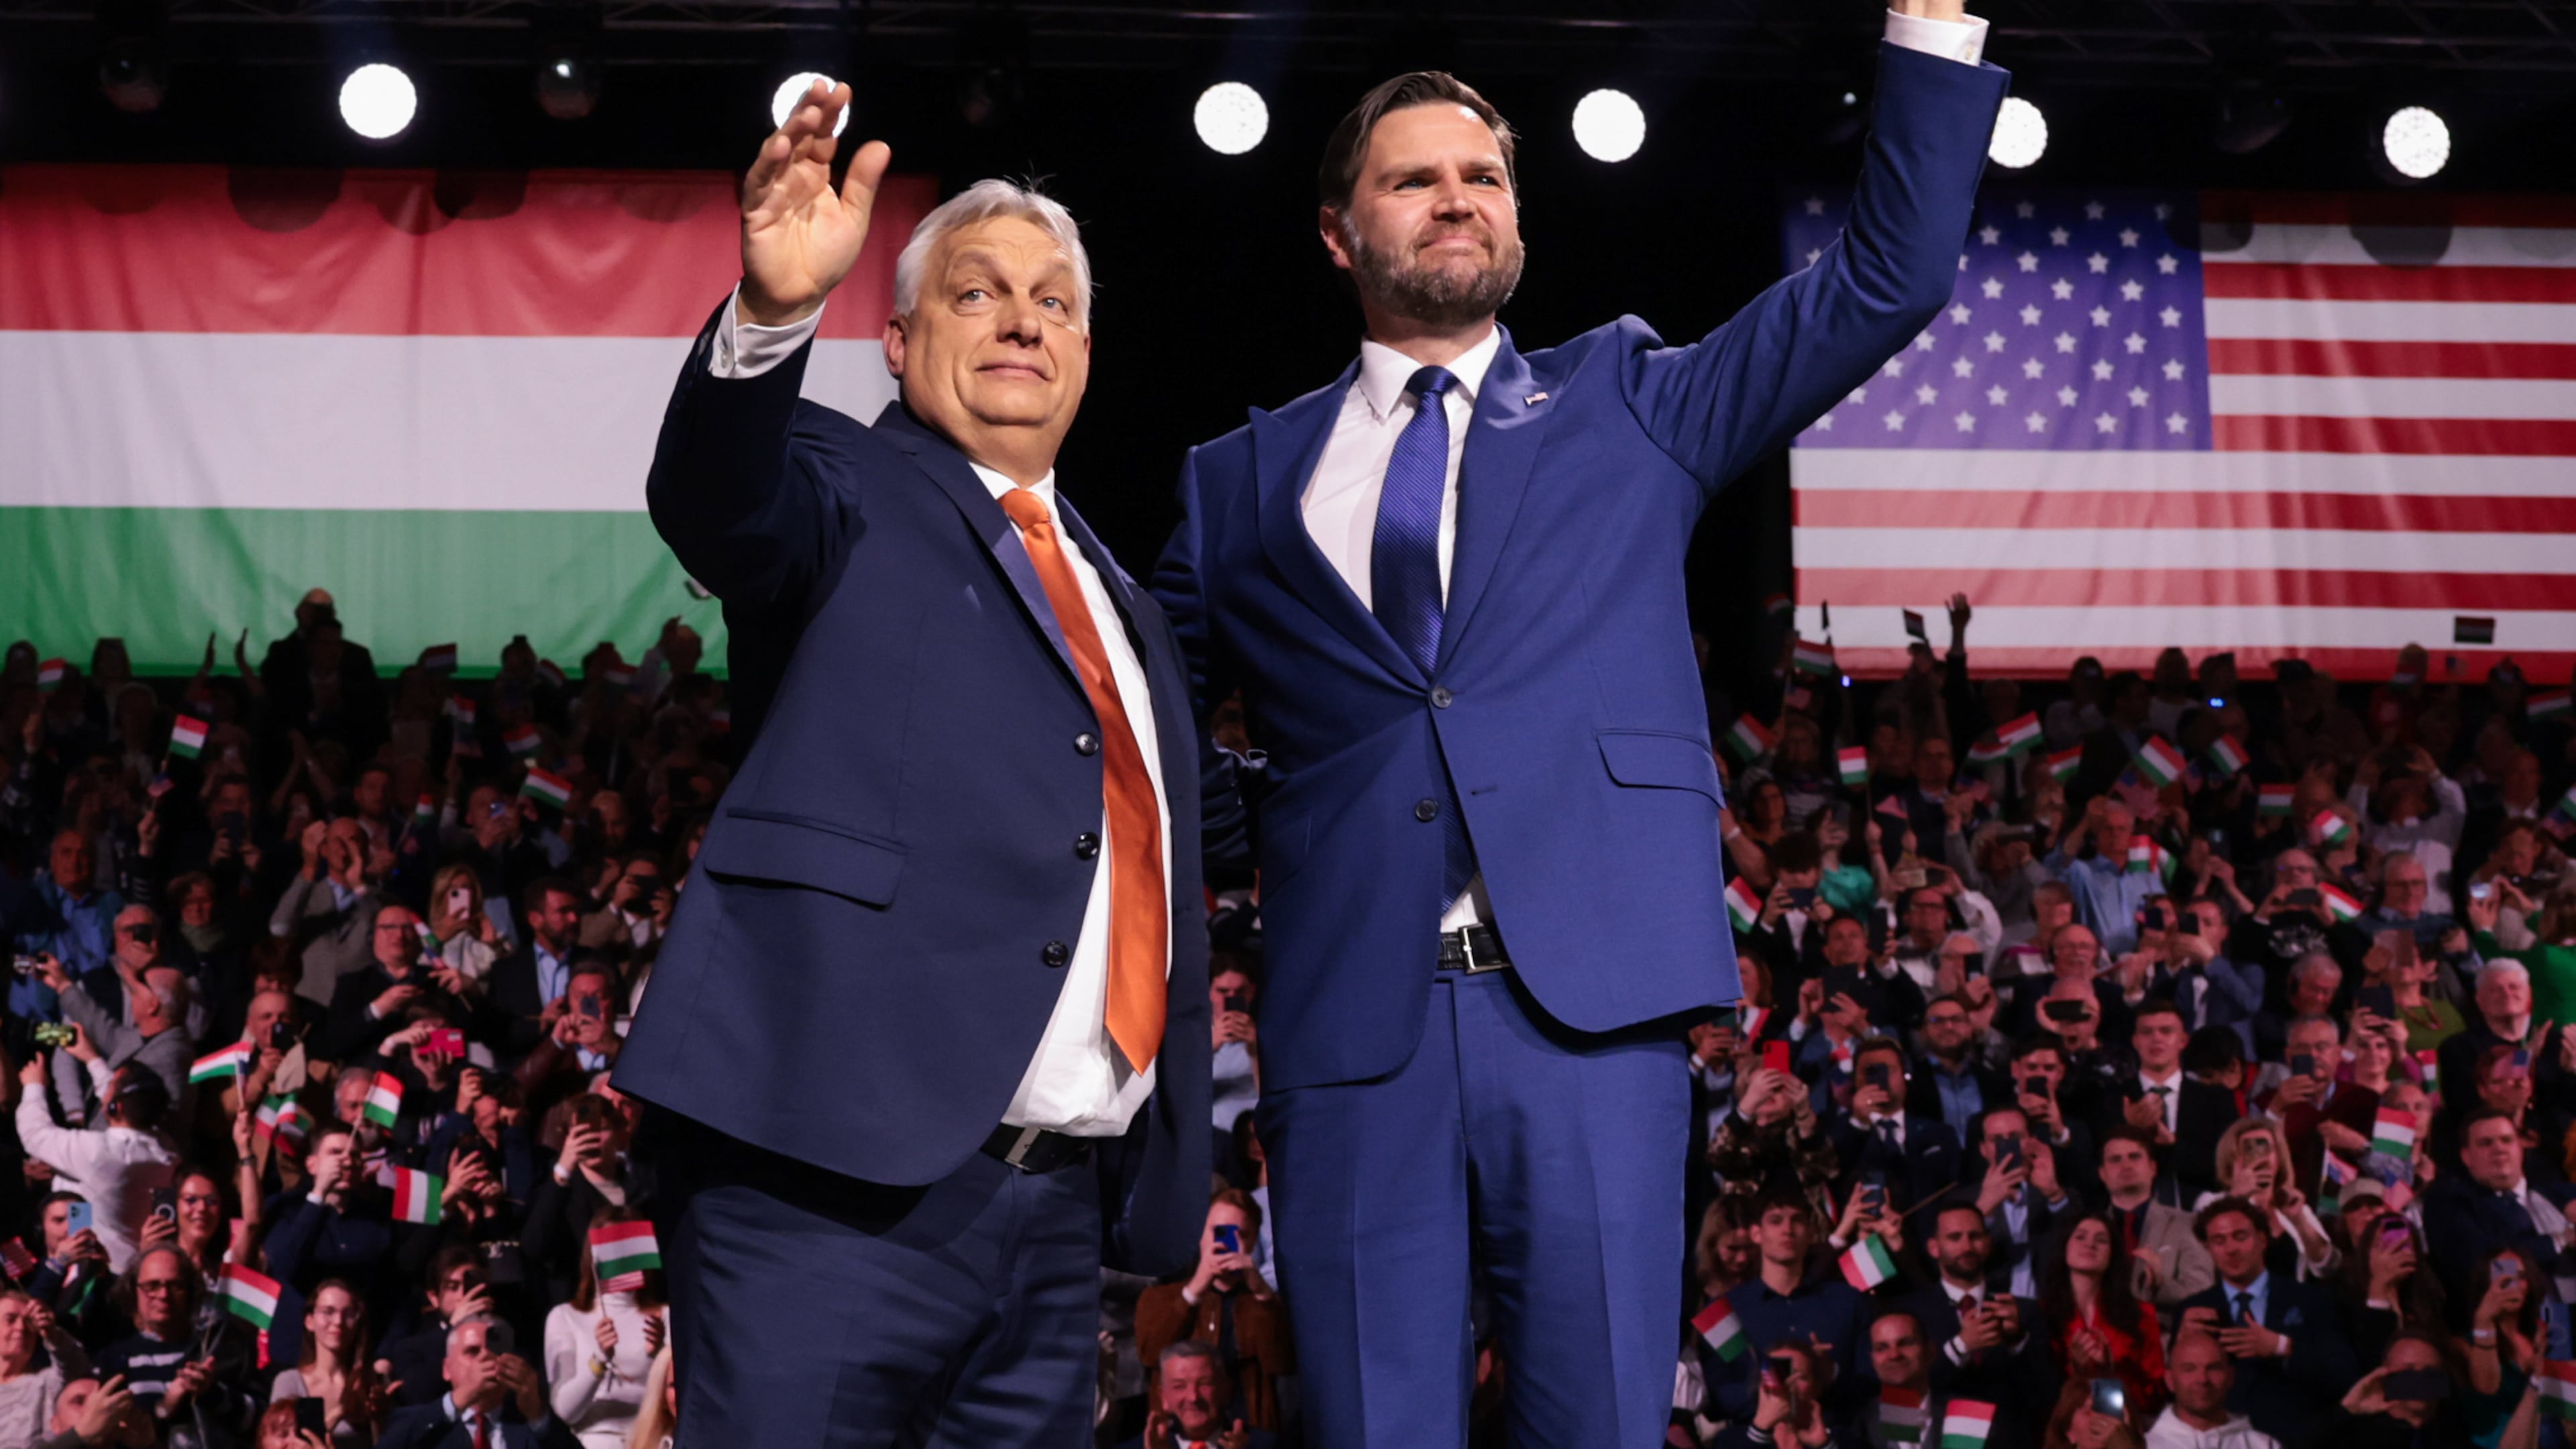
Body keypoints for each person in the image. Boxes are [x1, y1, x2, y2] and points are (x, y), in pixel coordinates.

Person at [1143, 6, 2006, 1438]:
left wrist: (1924, 35)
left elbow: (1885, 277)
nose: (1457, 197)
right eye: (1414, 179)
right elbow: (1139, 720)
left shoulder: (1628, 399)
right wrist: (1277, 819)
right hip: (1356, 1038)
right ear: (1337, 234)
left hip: (1590, 1024)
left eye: (1483, 175)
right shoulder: (1236, 478)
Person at [617, 80, 1210, 1446]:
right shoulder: (836, 483)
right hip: (822, 1186)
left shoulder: (1127, 609)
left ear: (1085, 354)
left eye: (1053, 301)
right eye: (975, 292)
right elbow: (719, 497)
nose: (1020, 318)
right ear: (892, 341)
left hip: (1059, 1218)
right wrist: (771, 311)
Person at [2173, 1199, 2357, 1445]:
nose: (2230, 1249)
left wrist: (2282, 1346)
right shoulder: (2192, 1311)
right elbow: (2173, 1389)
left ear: (2262, 1240)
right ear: (2208, 1248)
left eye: (2240, 1236)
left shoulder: (2311, 1299)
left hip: (2299, 1440)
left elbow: (2343, 1373)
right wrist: (2182, 1346)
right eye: (2219, 1241)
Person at [1134, 1191, 1293, 1432]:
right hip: (1179, 1435)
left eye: (1243, 1235)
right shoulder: (1160, 1298)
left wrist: (1260, 1290)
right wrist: (1195, 1290)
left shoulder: (1264, 1304)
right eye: (1221, 1233)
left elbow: (1281, 1363)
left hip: (1247, 1432)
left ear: (1252, 1243)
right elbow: (1150, 1354)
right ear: (1201, 1235)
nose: (1229, 1243)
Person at [11, 1058, 176, 1272]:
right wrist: (91, 1058)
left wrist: (34, 1086)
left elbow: (35, 1134)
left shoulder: (99, 1153)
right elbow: (124, 1101)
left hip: (93, 1271)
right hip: (128, 1265)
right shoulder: (166, 1151)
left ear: (117, 1107)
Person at [540, 1210, 667, 1449]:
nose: (622, 1259)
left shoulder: (665, 1316)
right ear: (593, 1254)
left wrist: (657, 1356)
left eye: (630, 1247)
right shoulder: (565, 1317)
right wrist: (598, 1361)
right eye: (613, 1247)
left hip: (654, 1440)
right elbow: (565, 1410)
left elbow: (677, 1400)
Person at [2039, 1212, 2163, 1421]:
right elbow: (2037, 1393)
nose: (2090, 1244)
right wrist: (2076, 1370)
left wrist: (2110, 1373)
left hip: (2121, 1429)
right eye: (2080, 1237)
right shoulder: (2040, 1313)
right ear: (2064, 1247)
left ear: (2113, 1254)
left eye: (2102, 1240)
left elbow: (2154, 1398)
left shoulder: (2141, 1314)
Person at [374, 1318, 572, 1449]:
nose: (486, 1356)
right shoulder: (416, 1421)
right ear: (447, 1369)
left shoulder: (529, 1427)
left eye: (495, 1350)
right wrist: (459, 1399)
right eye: (472, 1352)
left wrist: (538, 1416)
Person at [2093, 1128, 2215, 1308]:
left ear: (2153, 1168)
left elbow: (2202, 1290)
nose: (2126, 1165)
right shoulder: (2089, 1230)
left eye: (2134, 1157)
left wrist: (2160, 1285)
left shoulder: (2188, 1223)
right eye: (2115, 1159)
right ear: (2102, 1174)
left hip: (2164, 1332)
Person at [267, 1280, 393, 1448]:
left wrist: (379, 1419)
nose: (338, 1321)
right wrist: (340, 1412)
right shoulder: (290, 1382)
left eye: (348, 1313)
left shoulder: (370, 1383)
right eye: (328, 1311)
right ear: (310, 1321)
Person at [1119, 1342, 1276, 1449]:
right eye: (1179, 1386)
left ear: (1226, 1389)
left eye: (1204, 1384)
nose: (1193, 1397)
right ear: (1164, 1397)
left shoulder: (1267, 1446)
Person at [2142, 1330, 2277, 1449]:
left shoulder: (2263, 1445)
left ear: (2230, 1377)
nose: (2202, 1379)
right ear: (2170, 1380)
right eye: (2189, 1369)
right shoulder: (2146, 1446)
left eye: (2214, 1368)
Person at [0, 1291, 90, 1448]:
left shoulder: (46, 1384)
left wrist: (52, 1334)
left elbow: (75, 1364)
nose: (21, 1328)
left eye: (29, 1322)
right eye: (11, 1320)